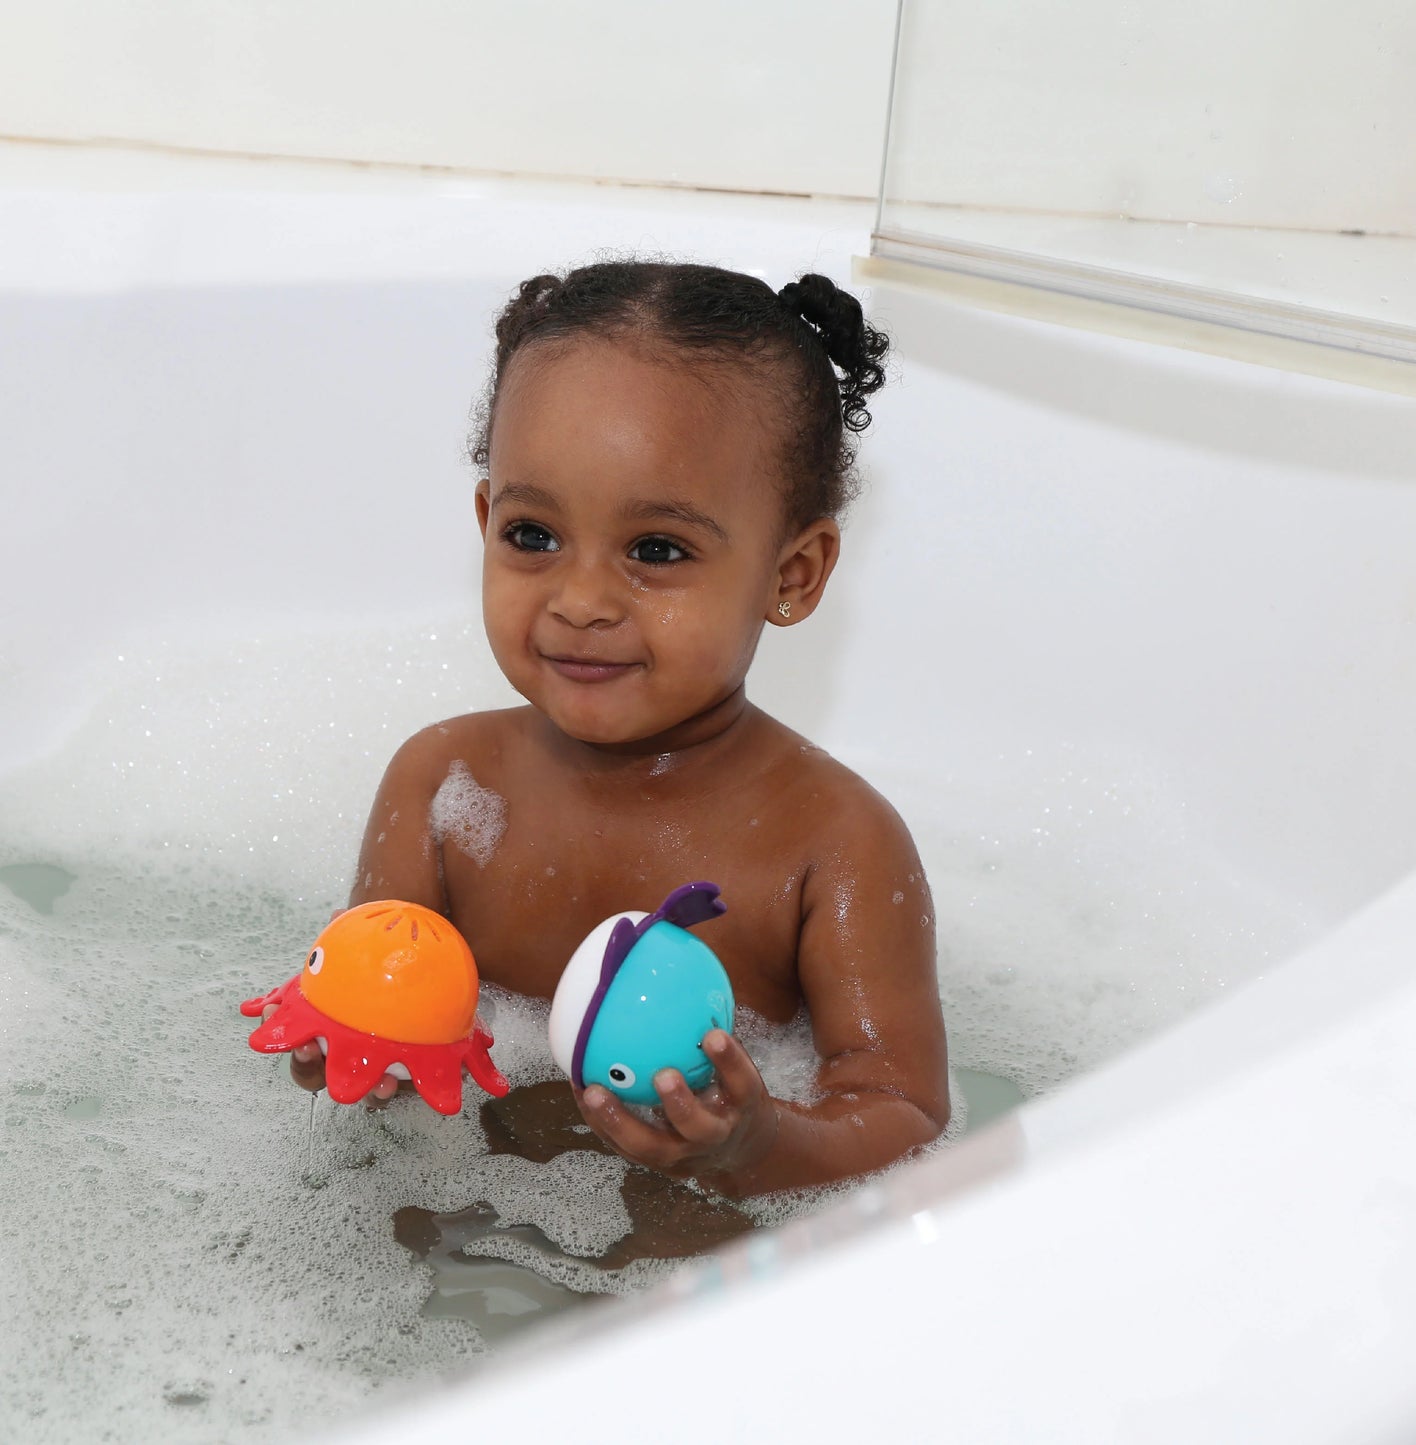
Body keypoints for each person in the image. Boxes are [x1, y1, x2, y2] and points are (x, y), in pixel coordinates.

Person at [282, 260, 949, 1199]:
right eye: (532, 534)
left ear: (791, 575)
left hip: (687, 1271)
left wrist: (754, 1148)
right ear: (483, 520)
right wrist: (352, 1050)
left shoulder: (833, 842)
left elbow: (901, 1110)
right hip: (443, 1210)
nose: (582, 599)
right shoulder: (441, 781)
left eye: (656, 550)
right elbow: (382, 1021)